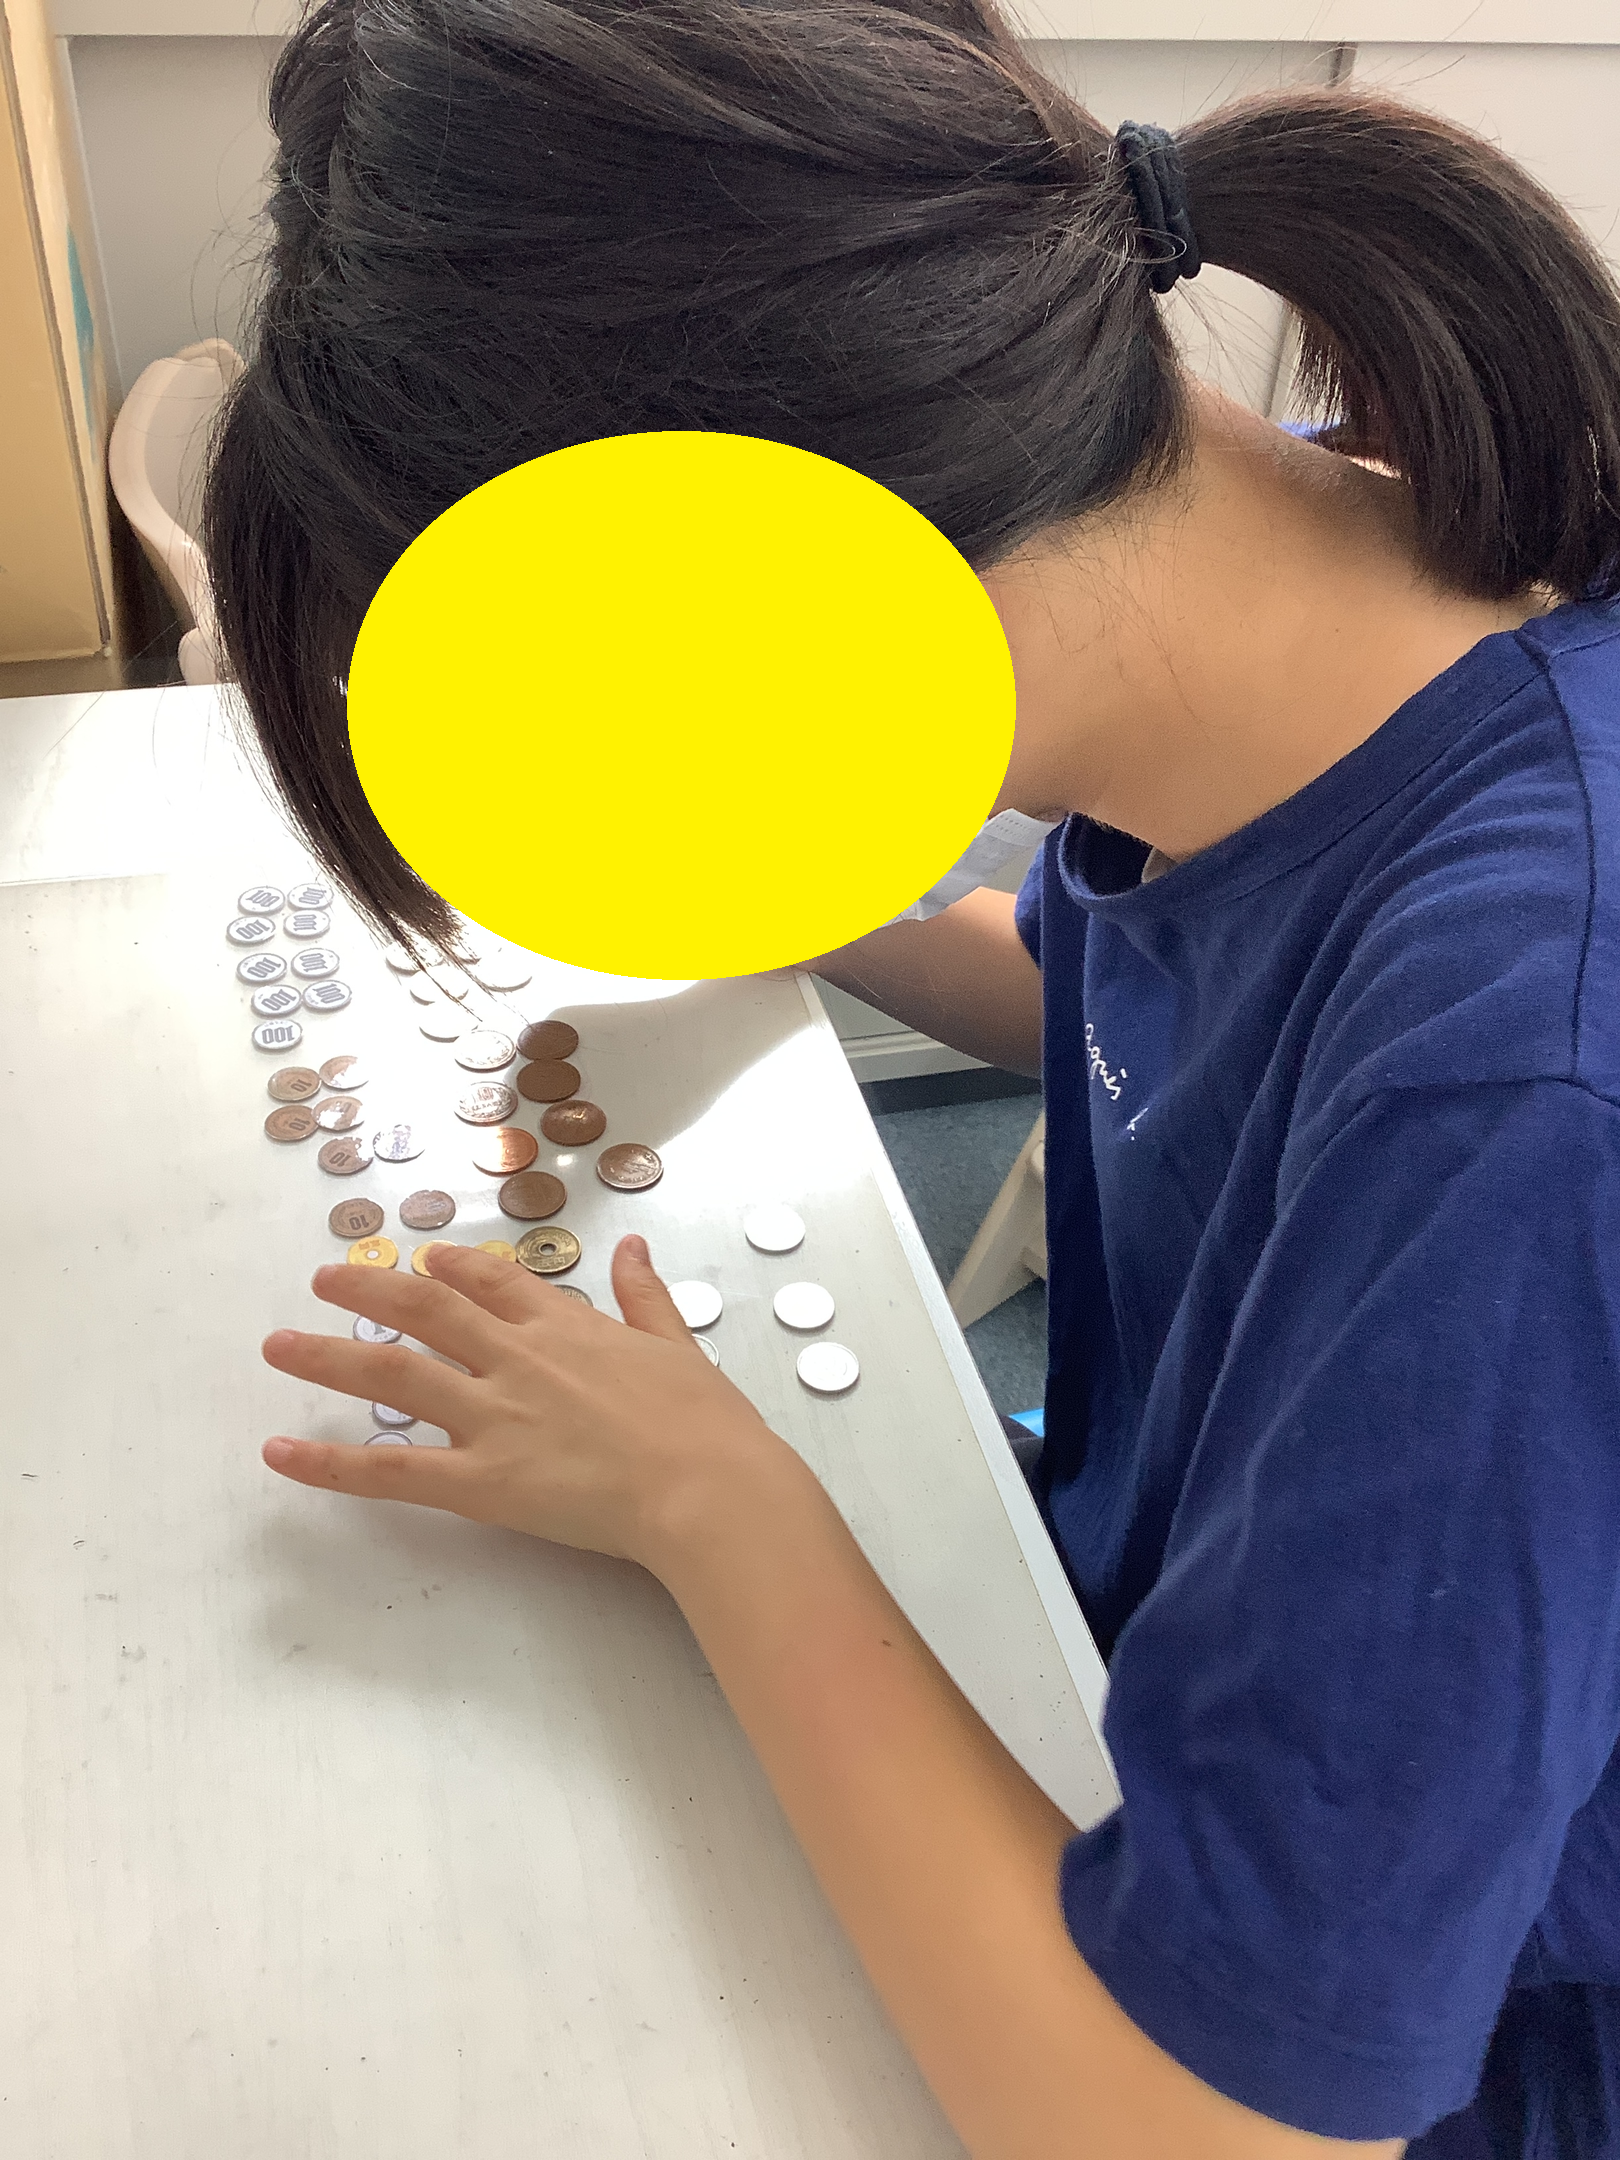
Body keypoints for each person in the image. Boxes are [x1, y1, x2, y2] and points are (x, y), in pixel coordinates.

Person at [205, 2, 1620, 2152]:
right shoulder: (1279, 601)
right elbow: (1131, 1009)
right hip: (1177, 1668)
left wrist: (712, 1503)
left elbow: (1205, 2132)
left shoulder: (1522, 1075)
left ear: (756, 597)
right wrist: (780, 880)